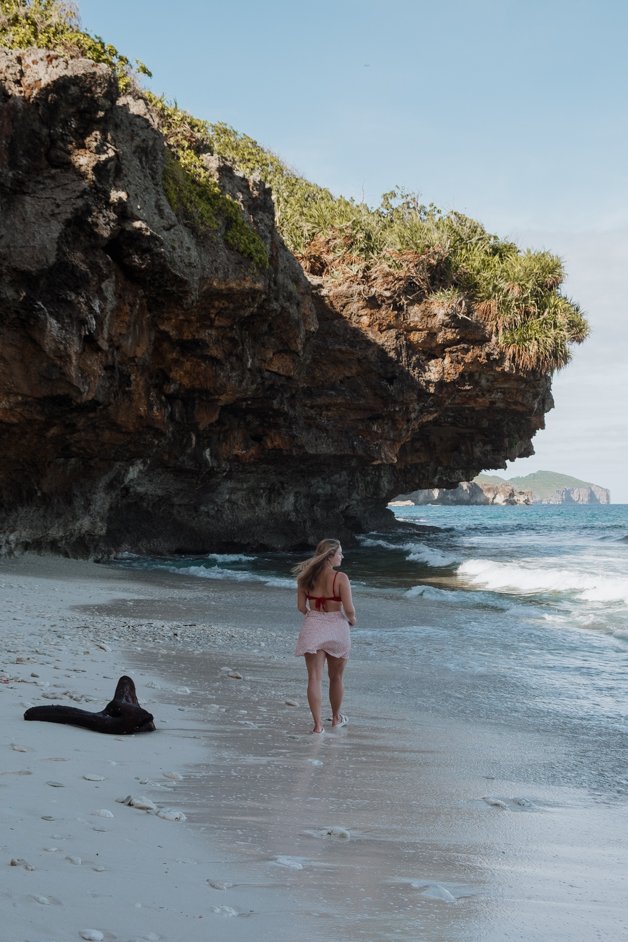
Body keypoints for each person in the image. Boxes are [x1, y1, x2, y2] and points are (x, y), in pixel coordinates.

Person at [293, 538, 356, 734]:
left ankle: (318, 725)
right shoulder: (341, 578)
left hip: (313, 626)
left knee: (314, 678)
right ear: (330, 556)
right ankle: (336, 718)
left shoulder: (305, 577)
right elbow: (349, 610)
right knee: (336, 677)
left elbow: (301, 607)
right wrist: (352, 621)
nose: (342, 556)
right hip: (337, 626)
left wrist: (314, 617)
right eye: (339, 553)